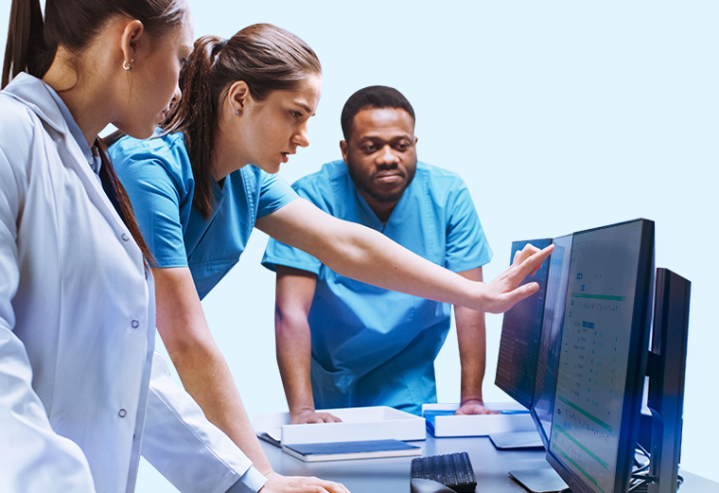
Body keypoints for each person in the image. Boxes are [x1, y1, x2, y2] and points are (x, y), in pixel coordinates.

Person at [109, 22, 552, 492]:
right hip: (85, 365)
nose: (302, 137)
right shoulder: (148, 168)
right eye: (294, 115)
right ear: (239, 99)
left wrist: (477, 294)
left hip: (128, 368)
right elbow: (187, 337)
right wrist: (264, 479)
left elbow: (349, 244)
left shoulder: (248, 181)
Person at [0, 2, 345, 492]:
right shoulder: (10, 136)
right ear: (131, 43)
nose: (184, 87)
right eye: (181, 61)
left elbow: (138, 378)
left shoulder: (93, 168)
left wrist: (255, 484)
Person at [262, 85, 496, 421]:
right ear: (345, 151)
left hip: (406, 376)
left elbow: (471, 302)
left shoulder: (448, 195)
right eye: (371, 147)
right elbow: (290, 311)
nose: (388, 157)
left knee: (406, 468)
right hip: (331, 377)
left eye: (401, 146)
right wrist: (302, 409)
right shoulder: (312, 196)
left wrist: (472, 398)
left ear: (415, 144)